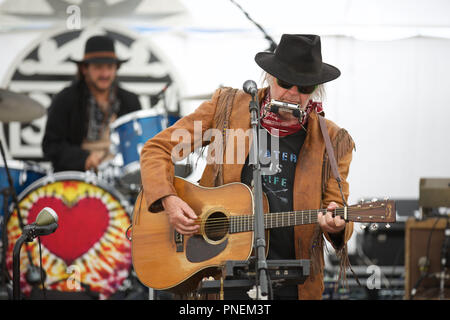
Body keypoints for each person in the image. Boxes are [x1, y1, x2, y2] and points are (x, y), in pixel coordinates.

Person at [140, 34, 355, 300]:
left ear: (316, 89)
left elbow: (337, 206)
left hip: (293, 283)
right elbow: (156, 149)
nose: (293, 93)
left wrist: (337, 226)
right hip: (219, 273)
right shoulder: (228, 108)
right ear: (269, 77)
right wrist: (169, 199)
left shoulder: (333, 140)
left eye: (305, 88)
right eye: (285, 82)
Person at [42, 35, 141, 172]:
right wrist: (84, 158)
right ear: (84, 69)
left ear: (116, 68)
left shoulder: (130, 100)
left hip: (120, 180)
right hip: (78, 180)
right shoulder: (65, 99)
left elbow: (139, 144)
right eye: (98, 67)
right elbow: (51, 146)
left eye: (110, 67)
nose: (105, 73)